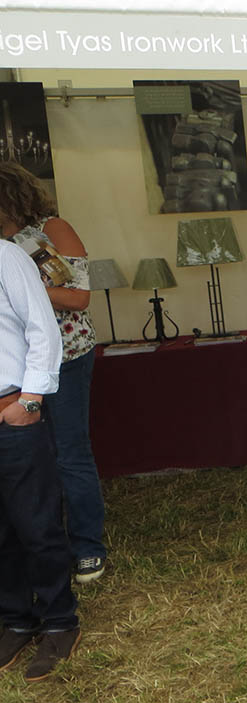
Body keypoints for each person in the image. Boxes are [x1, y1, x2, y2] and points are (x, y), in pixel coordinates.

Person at [0, 162, 107, 584]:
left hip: (65, 356)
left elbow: (79, 296)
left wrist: (21, 286)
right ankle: (41, 549)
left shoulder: (52, 229)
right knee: (28, 460)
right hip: (15, 367)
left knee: (68, 451)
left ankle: (86, 547)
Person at [0, 238, 82, 681]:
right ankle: (16, 619)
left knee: (36, 522)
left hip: (11, 411)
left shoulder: (4, 255)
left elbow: (42, 327)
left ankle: (59, 621)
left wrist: (30, 400)